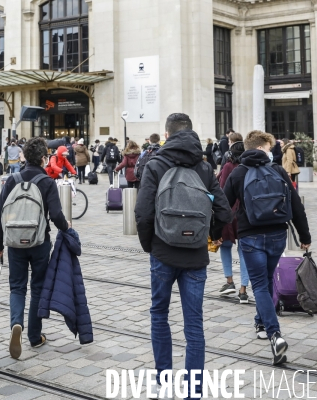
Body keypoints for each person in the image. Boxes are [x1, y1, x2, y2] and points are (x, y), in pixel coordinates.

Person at [135, 113, 231, 396]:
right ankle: (194, 391)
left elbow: (142, 213)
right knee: (194, 325)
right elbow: (224, 211)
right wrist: (209, 234)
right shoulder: (203, 168)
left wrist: (149, 244)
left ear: (167, 134)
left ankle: (164, 380)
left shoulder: (156, 164)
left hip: (163, 253)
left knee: (159, 314)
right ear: (191, 133)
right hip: (195, 258)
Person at [224, 130, 311, 365]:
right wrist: (305, 235)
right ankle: (261, 322)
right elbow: (296, 205)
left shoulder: (238, 172)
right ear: (262, 147)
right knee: (268, 280)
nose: (273, 151)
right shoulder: (278, 171)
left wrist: (217, 233)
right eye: (270, 148)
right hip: (276, 236)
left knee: (260, 286)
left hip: (250, 237)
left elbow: (223, 204)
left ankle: (275, 335)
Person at [0, 137, 71, 359]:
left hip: (15, 243)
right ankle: (35, 337)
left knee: (17, 287)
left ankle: (16, 324)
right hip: (39, 242)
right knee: (37, 287)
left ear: (24, 157)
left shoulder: (12, 180)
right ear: (44, 158)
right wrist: (67, 228)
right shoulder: (46, 182)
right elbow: (56, 215)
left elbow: (0, 213)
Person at [216, 132, 250, 304]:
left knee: (225, 246)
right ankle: (243, 290)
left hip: (229, 212)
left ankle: (229, 281)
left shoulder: (228, 166)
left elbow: (221, 190)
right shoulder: (249, 167)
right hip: (245, 213)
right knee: (244, 251)